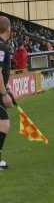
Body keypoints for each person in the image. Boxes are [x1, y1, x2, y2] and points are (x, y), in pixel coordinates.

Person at [0, 16, 13, 170]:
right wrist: (4, 94)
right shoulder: (2, 47)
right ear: (8, 29)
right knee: (4, 123)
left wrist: (5, 87)